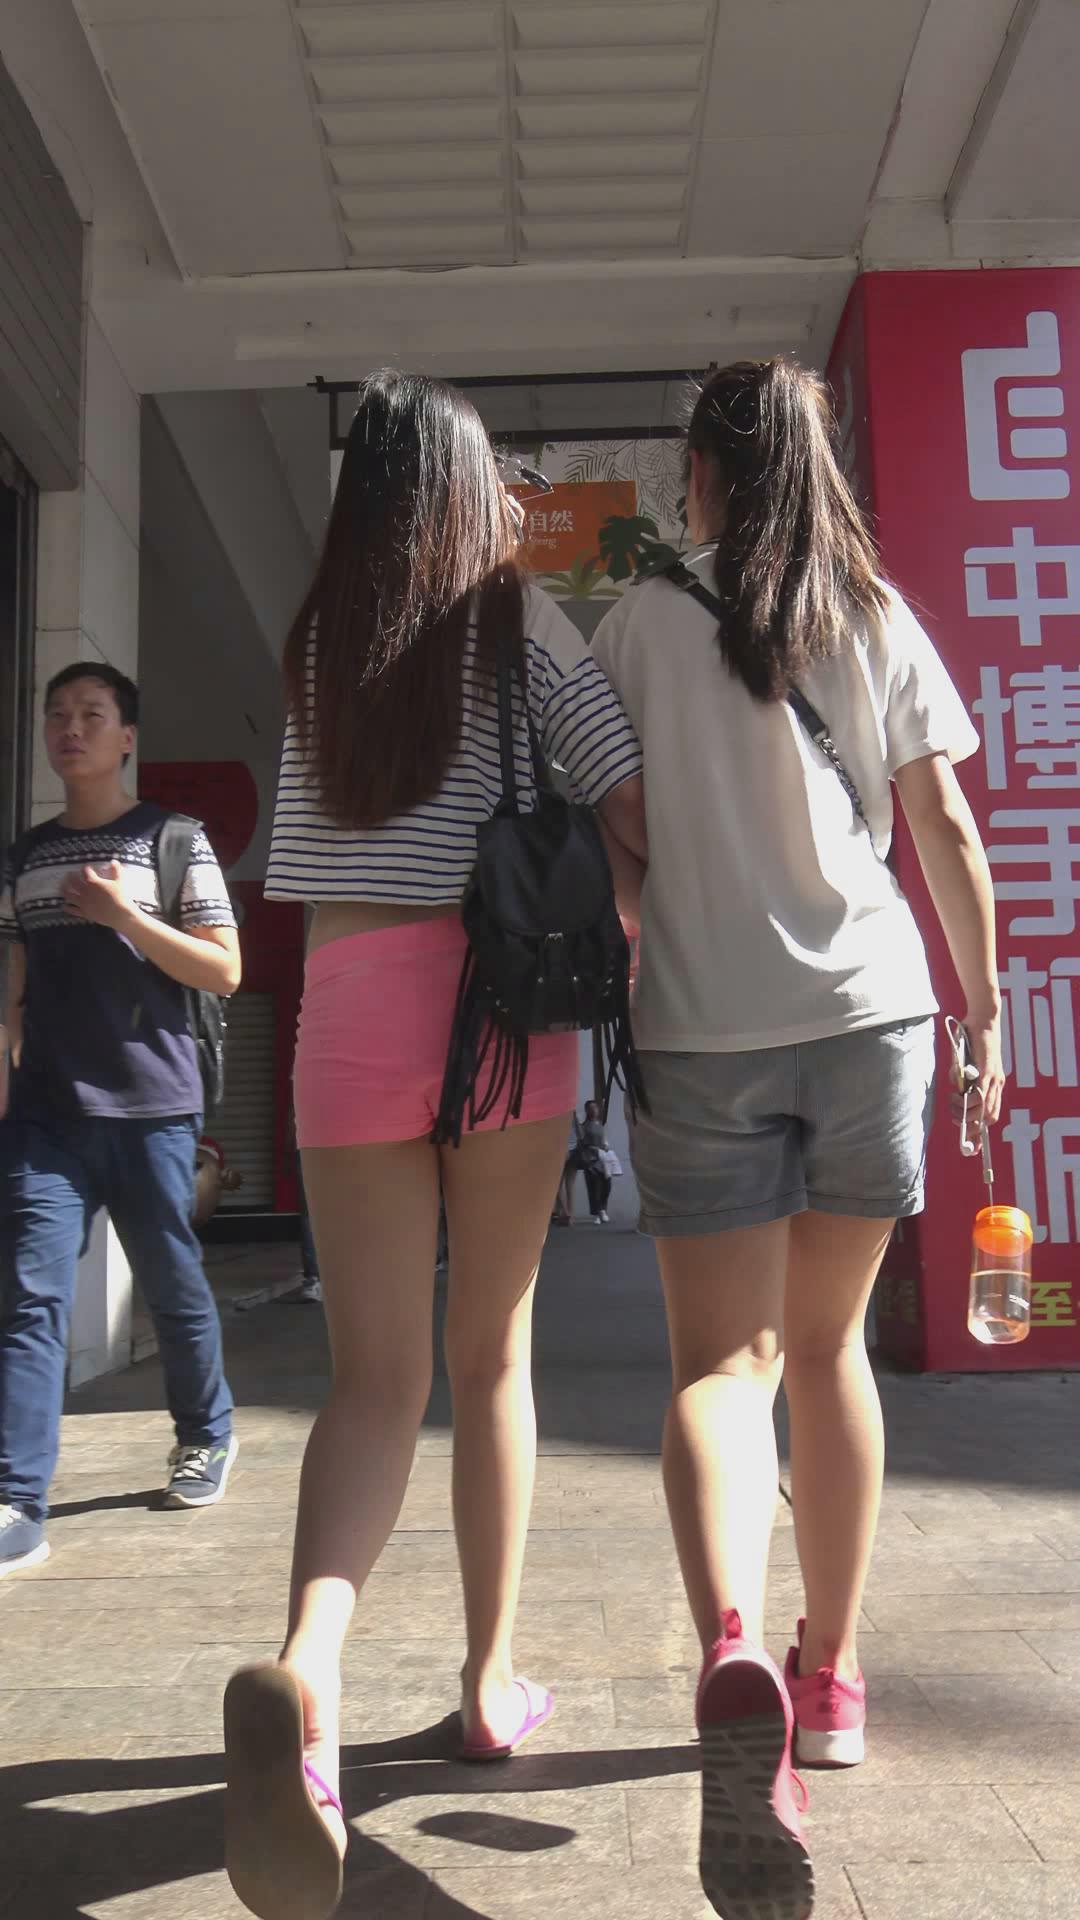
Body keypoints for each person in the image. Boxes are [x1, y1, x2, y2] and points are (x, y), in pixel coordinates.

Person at [223, 371, 646, 1920]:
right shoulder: (517, 626)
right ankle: (487, 1682)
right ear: (472, 496)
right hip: (499, 1004)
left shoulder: (319, 645)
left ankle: (309, 1671)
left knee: (371, 1379)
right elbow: (630, 797)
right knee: (491, 1355)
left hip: (346, 1006)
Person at [592, 358, 1004, 1920]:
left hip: (704, 1025)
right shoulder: (874, 615)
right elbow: (943, 826)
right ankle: (829, 1681)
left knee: (721, 1367)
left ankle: (731, 1650)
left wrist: (674, 891)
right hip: (871, 1016)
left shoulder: (637, 625)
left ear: (702, 472)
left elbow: (615, 825)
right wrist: (985, 1014)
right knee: (831, 1352)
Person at [0, 663, 242, 1579]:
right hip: (46, 1115)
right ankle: (17, 1500)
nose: (70, 729)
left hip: (152, 1109)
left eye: (92, 715)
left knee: (172, 1288)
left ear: (127, 737)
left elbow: (224, 969)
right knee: (30, 1299)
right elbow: (13, 975)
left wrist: (122, 916)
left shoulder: (173, 839)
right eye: (57, 715)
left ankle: (206, 1435)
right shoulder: (25, 854)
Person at [581, 1098, 612, 1223]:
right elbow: (582, 1144)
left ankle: (603, 1209)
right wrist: (591, 1149)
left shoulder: (600, 1125)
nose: (594, 1110)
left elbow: (604, 1139)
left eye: (595, 1107)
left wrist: (606, 1146)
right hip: (591, 1160)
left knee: (607, 1185)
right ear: (587, 1111)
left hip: (603, 1159)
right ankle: (597, 1213)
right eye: (591, 1108)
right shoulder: (584, 1126)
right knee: (594, 1187)